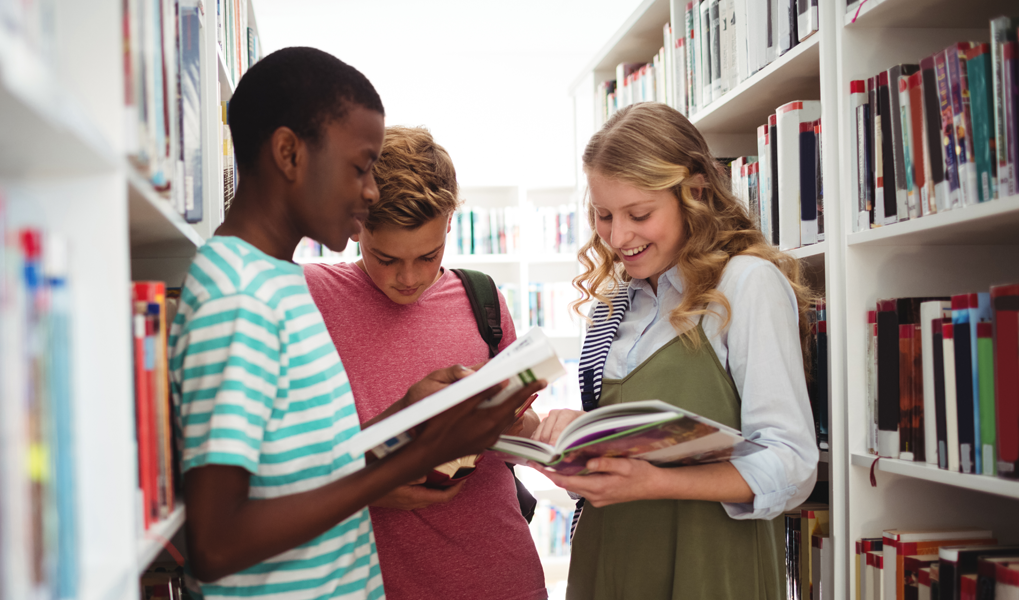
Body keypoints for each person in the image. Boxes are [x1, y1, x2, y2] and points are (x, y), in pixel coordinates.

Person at [168, 47, 543, 600]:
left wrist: (411, 418)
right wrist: (406, 460)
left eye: (429, 255)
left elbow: (309, 459)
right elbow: (217, 538)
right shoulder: (252, 293)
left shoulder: (274, 285)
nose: (367, 192)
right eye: (358, 168)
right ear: (290, 154)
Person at [532, 102, 819, 600]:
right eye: (603, 215)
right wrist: (559, 441)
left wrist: (651, 483)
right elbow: (626, 444)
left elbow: (792, 467)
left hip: (710, 572)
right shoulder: (615, 305)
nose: (618, 237)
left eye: (638, 214)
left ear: (695, 193)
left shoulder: (746, 285)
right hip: (610, 564)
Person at [304, 126, 547, 600]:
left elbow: (518, 442)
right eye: (386, 257)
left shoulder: (483, 299)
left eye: (429, 255)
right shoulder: (307, 299)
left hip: (502, 578)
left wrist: (513, 420)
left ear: (451, 221)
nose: (409, 278)